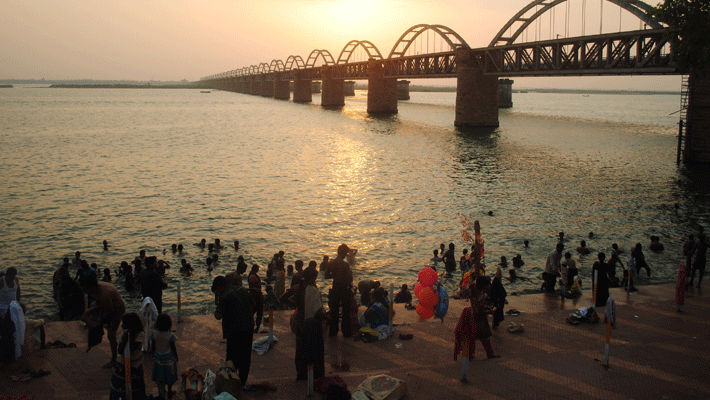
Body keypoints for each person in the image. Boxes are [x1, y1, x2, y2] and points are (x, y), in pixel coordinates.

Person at [211, 276, 257, 392]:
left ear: (219, 287)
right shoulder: (241, 289)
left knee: (232, 358)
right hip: (248, 327)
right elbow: (253, 303)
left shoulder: (225, 296)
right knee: (245, 357)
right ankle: (242, 382)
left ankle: (231, 383)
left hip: (235, 331)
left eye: (216, 291)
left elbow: (218, 315)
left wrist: (217, 301)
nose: (217, 293)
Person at [81, 274, 126, 368]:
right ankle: (93, 339)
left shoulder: (104, 294)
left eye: (85, 289)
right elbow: (98, 303)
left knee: (111, 334)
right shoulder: (96, 287)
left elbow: (110, 313)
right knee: (86, 315)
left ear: (91, 287)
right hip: (106, 305)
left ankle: (114, 360)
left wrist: (103, 323)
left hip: (117, 308)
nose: (84, 291)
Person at [294, 267, 329, 380]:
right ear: (313, 277)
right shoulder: (313, 290)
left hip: (301, 324)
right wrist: (328, 318)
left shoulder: (301, 288)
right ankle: (316, 375)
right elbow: (318, 311)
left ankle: (301, 374)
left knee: (301, 351)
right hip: (312, 325)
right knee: (314, 352)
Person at [109, 312, 146, 400]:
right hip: (123, 363)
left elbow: (132, 348)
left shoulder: (140, 334)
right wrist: (125, 337)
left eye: (124, 323)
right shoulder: (124, 334)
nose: (122, 326)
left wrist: (128, 338)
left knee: (136, 385)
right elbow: (120, 350)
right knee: (121, 386)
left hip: (135, 364)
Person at [325, 244, 354, 337]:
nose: (346, 255)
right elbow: (350, 279)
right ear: (343, 253)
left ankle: (333, 331)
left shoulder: (331, 263)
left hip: (335, 288)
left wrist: (335, 274)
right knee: (346, 311)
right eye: (345, 253)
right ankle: (346, 331)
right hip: (344, 289)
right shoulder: (345, 264)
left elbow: (326, 276)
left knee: (334, 311)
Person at [149, 313, 178, 400]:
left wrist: (153, 354)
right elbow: (173, 347)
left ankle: (161, 392)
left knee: (160, 376)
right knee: (170, 375)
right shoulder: (171, 336)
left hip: (158, 357)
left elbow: (153, 346)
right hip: (169, 358)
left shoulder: (154, 334)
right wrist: (176, 356)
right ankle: (169, 391)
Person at [470, 276, 499, 359]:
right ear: (483, 286)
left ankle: (470, 355)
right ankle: (490, 354)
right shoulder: (481, 297)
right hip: (480, 319)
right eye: (487, 284)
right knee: (485, 337)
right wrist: (490, 312)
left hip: (473, 316)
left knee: (473, 337)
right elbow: (481, 310)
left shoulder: (473, 293)